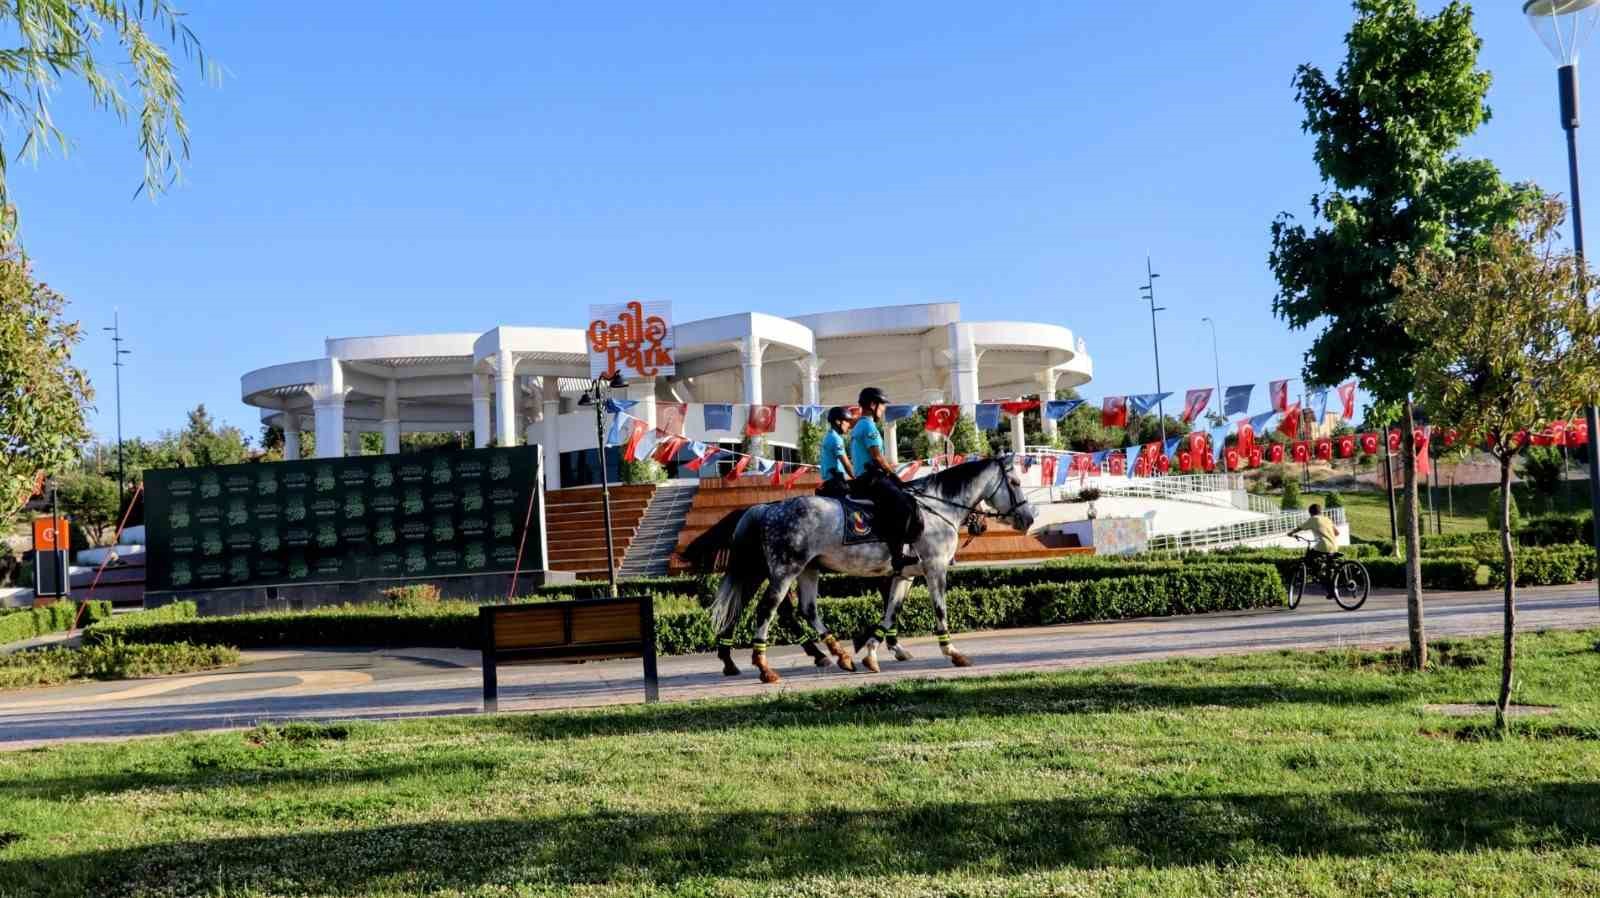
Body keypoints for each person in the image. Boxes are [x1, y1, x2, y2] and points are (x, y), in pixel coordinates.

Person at [848, 387, 923, 574]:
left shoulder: (858, 426)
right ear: (873, 405)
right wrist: (893, 475)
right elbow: (877, 457)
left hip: (864, 477)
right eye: (882, 406)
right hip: (871, 478)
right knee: (904, 504)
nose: (883, 410)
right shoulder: (868, 426)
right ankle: (898, 556)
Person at [1289, 503, 1340, 599]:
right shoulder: (1327, 519)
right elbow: (1337, 533)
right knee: (1329, 568)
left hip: (1323, 546)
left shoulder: (1313, 519)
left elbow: (1300, 528)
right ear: (1321, 511)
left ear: (1310, 513)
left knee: (1309, 561)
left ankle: (1320, 576)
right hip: (1334, 546)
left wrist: (1291, 533)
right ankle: (1331, 590)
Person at [815, 406, 854, 499]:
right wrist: (856, 476)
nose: (849, 425)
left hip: (829, 482)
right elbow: (846, 463)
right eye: (846, 421)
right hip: (836, 484)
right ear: (838, 421)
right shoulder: (836, 439)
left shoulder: (828, 436)